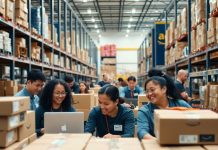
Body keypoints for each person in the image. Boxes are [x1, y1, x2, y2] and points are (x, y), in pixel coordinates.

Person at [137, 69, 191, 140]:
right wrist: (162, 141)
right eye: (147, 91)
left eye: (152, 90)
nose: (149, 94)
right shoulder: (145, 111)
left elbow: (198, 119)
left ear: (164, 89)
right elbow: (142, 131)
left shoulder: (180, 104)